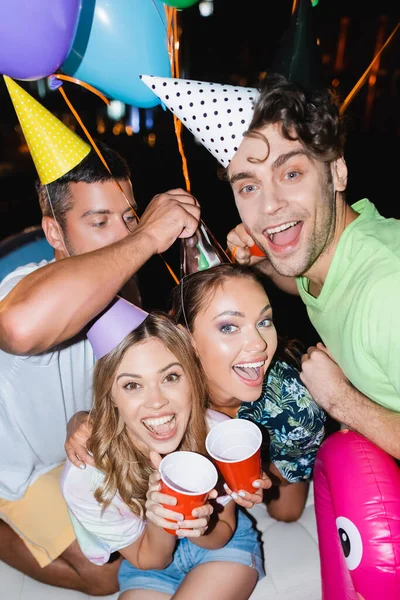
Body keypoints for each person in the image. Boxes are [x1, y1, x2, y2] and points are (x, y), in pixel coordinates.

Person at [0, 118, 201, 594]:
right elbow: (19, 325)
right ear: (53, 230)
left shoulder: (127, 297)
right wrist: (147, 238)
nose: (121, 237)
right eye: (99, 222)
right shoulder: (22, 290)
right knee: (106, 575)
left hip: (82, 457)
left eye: (130, 217)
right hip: (20, 471)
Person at [226, 72, 400, 459]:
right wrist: (266, 266)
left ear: (336, 171)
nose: (269, 206)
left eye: (291, 173)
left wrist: (341, 400)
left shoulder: (389, 287)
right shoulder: (336, 251)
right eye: (248, 186)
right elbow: (316, 287)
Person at [61, 309, 265, 600]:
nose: (156, 401)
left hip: (221, 547)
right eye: (132, 385)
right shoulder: (86, 477)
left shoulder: (218, 436)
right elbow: (151, 560)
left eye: (170, 377)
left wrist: (193, 521)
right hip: (146, 561)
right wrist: (162, 518)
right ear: (111, 397)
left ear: (192, 379)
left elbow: (224, 532)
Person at [170, 263, 325, 521]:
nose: (259, 344)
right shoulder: (161, 379)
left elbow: (287, 469)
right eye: (229, 327)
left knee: (286, 512)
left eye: (264, 322)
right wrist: (78, 422)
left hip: (275, 448)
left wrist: (261, 474)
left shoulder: (295, 408)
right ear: (186, 338)